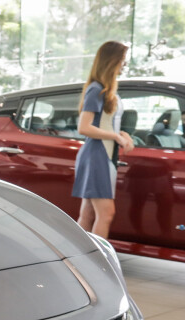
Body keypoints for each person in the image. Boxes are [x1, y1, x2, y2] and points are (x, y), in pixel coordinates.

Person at [72, 40, 134, 239]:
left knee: (88, 214)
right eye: (122, 60)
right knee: (106, 214)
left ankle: (77, 259)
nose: (124, 64)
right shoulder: (96, 89)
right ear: (112, 61)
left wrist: (122, 134)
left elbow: (106, 123)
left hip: (103, 155)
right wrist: (116, 136)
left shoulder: (105, 90)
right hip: (97, 155)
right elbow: (84, 127)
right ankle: (99, 264)